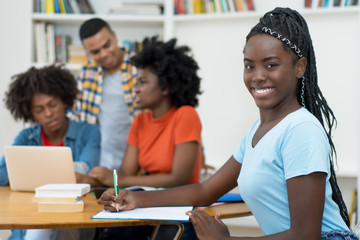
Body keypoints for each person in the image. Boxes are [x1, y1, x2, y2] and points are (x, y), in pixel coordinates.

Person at [98, 8, 358, 240]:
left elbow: (305, 235)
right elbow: (205, 191)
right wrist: (136, 198)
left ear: (299, 67)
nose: (258, 77)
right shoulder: (256, 135)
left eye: (271, 65)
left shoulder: (300, 130)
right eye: (249, 66)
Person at [0, 65, 100, 240]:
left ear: (64, 101)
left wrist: (30, 174)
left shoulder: (89, 132)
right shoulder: (26, 137)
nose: (48, 113)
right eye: (39, 110)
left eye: (52, 105)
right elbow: (2, 174)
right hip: (30, 216)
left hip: (71, 223)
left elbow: (86, 170)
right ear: (31, 114)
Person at [67, 18, 140, 187]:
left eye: (107, 45)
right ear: (87, 51)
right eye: (95, 51)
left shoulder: (140, 66)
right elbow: (78, 117)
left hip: (136, 160)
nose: (104, 54)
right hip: (102, 161)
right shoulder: (87, 72)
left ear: (114, 36)